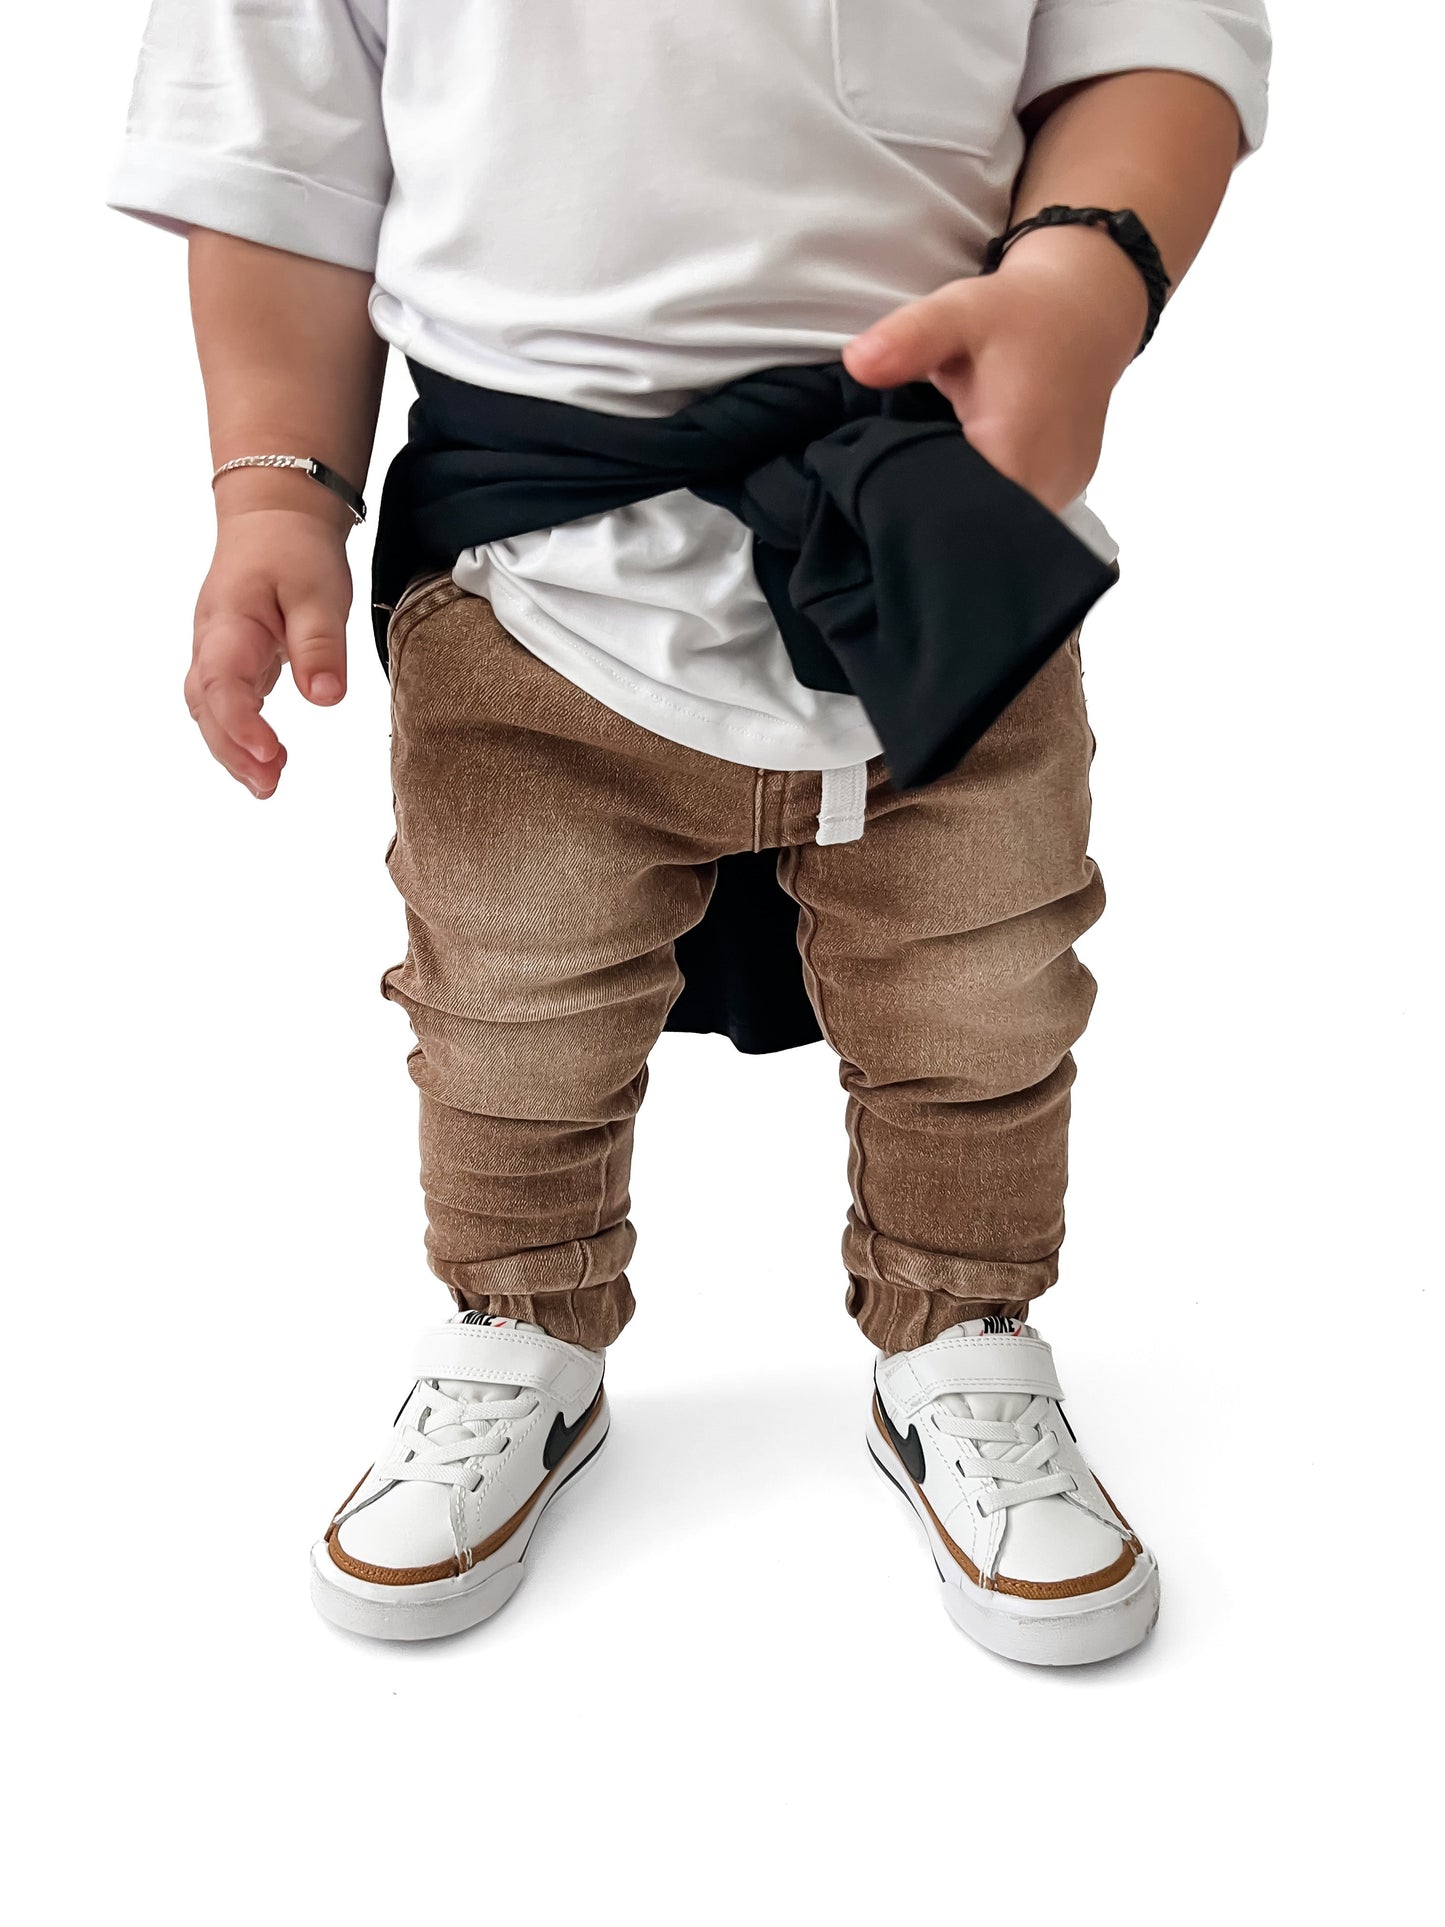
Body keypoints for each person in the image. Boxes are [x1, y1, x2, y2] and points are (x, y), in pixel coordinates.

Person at [108, 0, 1271, 1663]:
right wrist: (278, 487)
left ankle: (962, 1331)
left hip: (930, 529)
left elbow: (1147, 42)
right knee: (505, 1010)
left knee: (984, 996)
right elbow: (280, 158)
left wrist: (1087, 272)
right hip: (529, 576)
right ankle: (517, 1324)